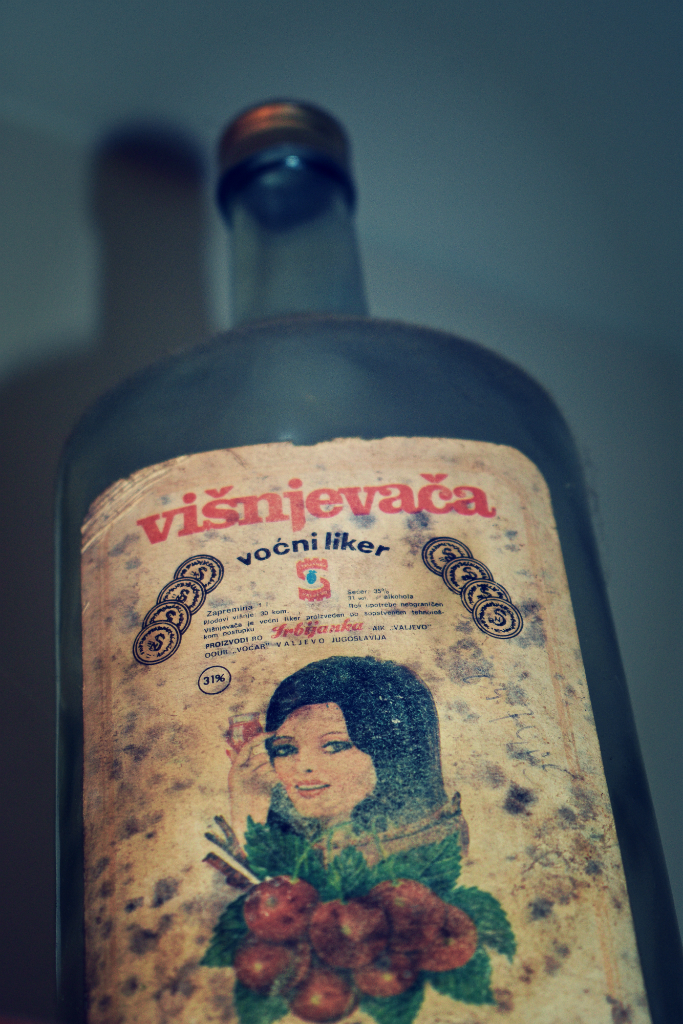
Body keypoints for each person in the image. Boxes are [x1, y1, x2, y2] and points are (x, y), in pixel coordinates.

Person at [226, 656, 456, 857]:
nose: (303, 766)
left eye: (334, 746)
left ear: (388, 752)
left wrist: (248, 820)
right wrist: (251, 806)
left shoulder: (415, 848)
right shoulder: (309, 844)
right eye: (285, 749)